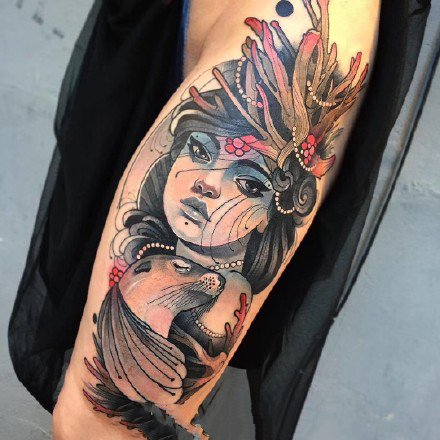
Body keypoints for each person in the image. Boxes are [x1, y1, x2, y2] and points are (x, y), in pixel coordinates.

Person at [9, 0, 430, 439]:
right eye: (199, 150)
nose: (207, 184)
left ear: (276, 209)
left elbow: (96, 426)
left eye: (247, 183)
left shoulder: (304, 36)